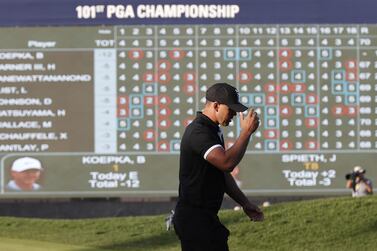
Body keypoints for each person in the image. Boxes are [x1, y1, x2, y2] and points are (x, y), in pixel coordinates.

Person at [173, 83, 264, 251]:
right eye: (231, 110)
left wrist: (244, 203)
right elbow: (226, 163)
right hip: (194, 219)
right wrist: (245, 133)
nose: (234, 115)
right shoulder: (198, 131)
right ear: (216, 105)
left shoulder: (212, 129)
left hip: (205, 218)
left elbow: (221, 173)